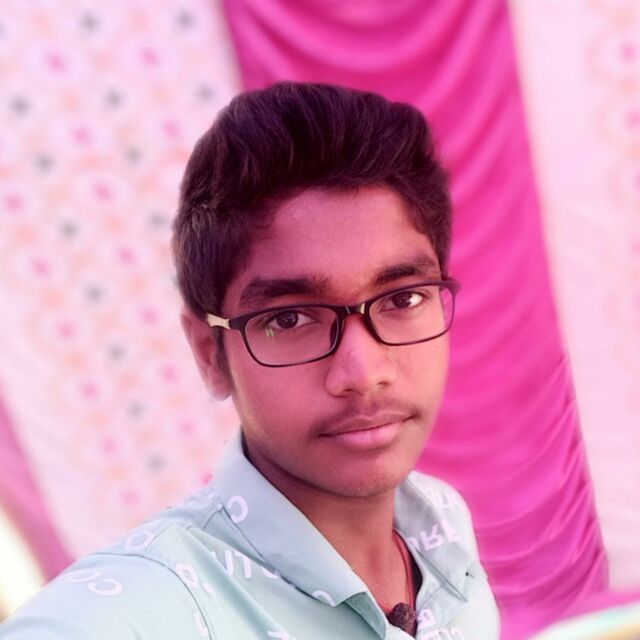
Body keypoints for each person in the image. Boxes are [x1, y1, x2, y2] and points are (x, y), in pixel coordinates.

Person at [0, 82, 500, 639]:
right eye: (289, 319)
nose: (364, 374)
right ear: (210, 354)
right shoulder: (136, 615)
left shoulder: (442, 524)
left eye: (403, 299)